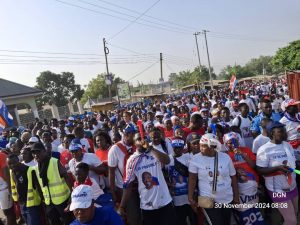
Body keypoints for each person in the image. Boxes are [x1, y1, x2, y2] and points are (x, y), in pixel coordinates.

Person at [119, 133, 176, 225]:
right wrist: (122, 206)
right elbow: (128, 185)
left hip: (165, 202)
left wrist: (151, 149)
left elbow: (167, 161)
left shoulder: (155, 152)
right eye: (138, 139)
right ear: (134, 143)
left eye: (144, 137)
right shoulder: (132, 160)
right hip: (147, 206)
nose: (142, 140)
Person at [188, 133, 239, 225]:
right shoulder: (195, 159)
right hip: (206, 199)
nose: (201, 148)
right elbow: (192, 179)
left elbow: (233, 177)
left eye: (204, 146)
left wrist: (236, 196)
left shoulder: (225, 157)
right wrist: (190, 197)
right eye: (200, 145)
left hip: (226, 197)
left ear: (212, 146)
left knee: (226, 222)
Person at [256, 121, 298, 225]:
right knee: (291, 221)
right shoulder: (264, 149)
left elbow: (293, 163)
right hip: (277, 189)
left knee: (295, 214)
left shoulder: (288, 145)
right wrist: (277, 168)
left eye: (284, 131)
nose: (284, 133)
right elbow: (260, 170)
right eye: (280, 131)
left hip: (292, 187)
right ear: (272, 134)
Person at [223, 132, 263, 225]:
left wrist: (244, 155)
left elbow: (253, 166)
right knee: (243, 211)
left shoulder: (246, 150)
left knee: (254, 208)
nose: (233, 144)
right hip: (238, 189)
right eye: (229, 142)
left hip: (252, 185)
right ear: (225, 144)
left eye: (235, 141)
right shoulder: (225, 156)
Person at [31, 142, 74, 225]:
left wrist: (71, 195)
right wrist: (43, 199)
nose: (36, 155)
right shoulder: (36, 168)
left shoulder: (55, 162)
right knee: (53, 222)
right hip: (49, 202)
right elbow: (40, 185)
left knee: (67, 221)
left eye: (38, 152)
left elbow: (66, 177)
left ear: (44, 151)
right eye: (34, 153)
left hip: (62, 200)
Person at [108, 123, 142, 225]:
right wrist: (113, 192)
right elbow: (111, 172)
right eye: (134, 135)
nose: (136, 137)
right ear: (127, 135)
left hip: (140, 185)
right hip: (125, 188)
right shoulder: (115, 149)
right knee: (133, 216)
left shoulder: (137, 145)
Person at [168, 137, 196, 225]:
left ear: (183, 147)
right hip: (176, 199)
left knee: (194, 221)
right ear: (172, 147)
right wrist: (169, 186)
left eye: (180, 147)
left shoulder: (189, 157)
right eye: (175, 147)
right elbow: (164, 175)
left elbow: (194, 176)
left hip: (190, 198)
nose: (177, 149)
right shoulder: (167, 159)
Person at [7, 154, 42, 225]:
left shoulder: (29, 170)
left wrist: (43, 200)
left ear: (19, 161)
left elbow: (38, 186)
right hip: (22, 204)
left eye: (14, 163)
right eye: (9, 164)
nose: (12, 165)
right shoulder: (12, 172)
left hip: (32, 204)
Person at [0, 151, 16, 225]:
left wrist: (10, 189)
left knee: (9, 213)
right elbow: (5, 171)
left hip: (4, 189)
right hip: (4, 189)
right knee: (9, 213)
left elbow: (5, 171)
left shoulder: (1, 155)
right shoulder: (1, 155)